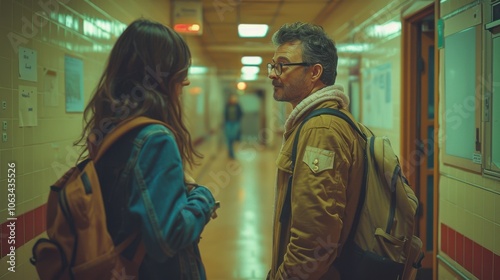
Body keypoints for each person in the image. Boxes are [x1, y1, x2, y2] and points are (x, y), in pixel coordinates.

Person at [73, 19, 217, 279]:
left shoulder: (110, 131)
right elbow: (167, 239)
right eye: (179, 73)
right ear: (161, 77)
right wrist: (203, 198)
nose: (184, 84)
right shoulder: (155, 139)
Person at [267, 22, 366, 279]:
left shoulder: (320, 130)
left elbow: (314, 241)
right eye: (272, 65)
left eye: (282, 65)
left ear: (314, 72)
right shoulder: (317, 122)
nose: (272, 73)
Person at [224, 93, 243, 159]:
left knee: (233, 136)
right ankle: (231, 153)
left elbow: (241, 113)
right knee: (229, 138)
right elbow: (225, 114)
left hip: (235, 123)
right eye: (232, 98)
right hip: (228, 123)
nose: (233, 99)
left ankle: (231, 149)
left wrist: (238, 119)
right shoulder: (227, 106)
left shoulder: (237, 106)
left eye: (234, 98)